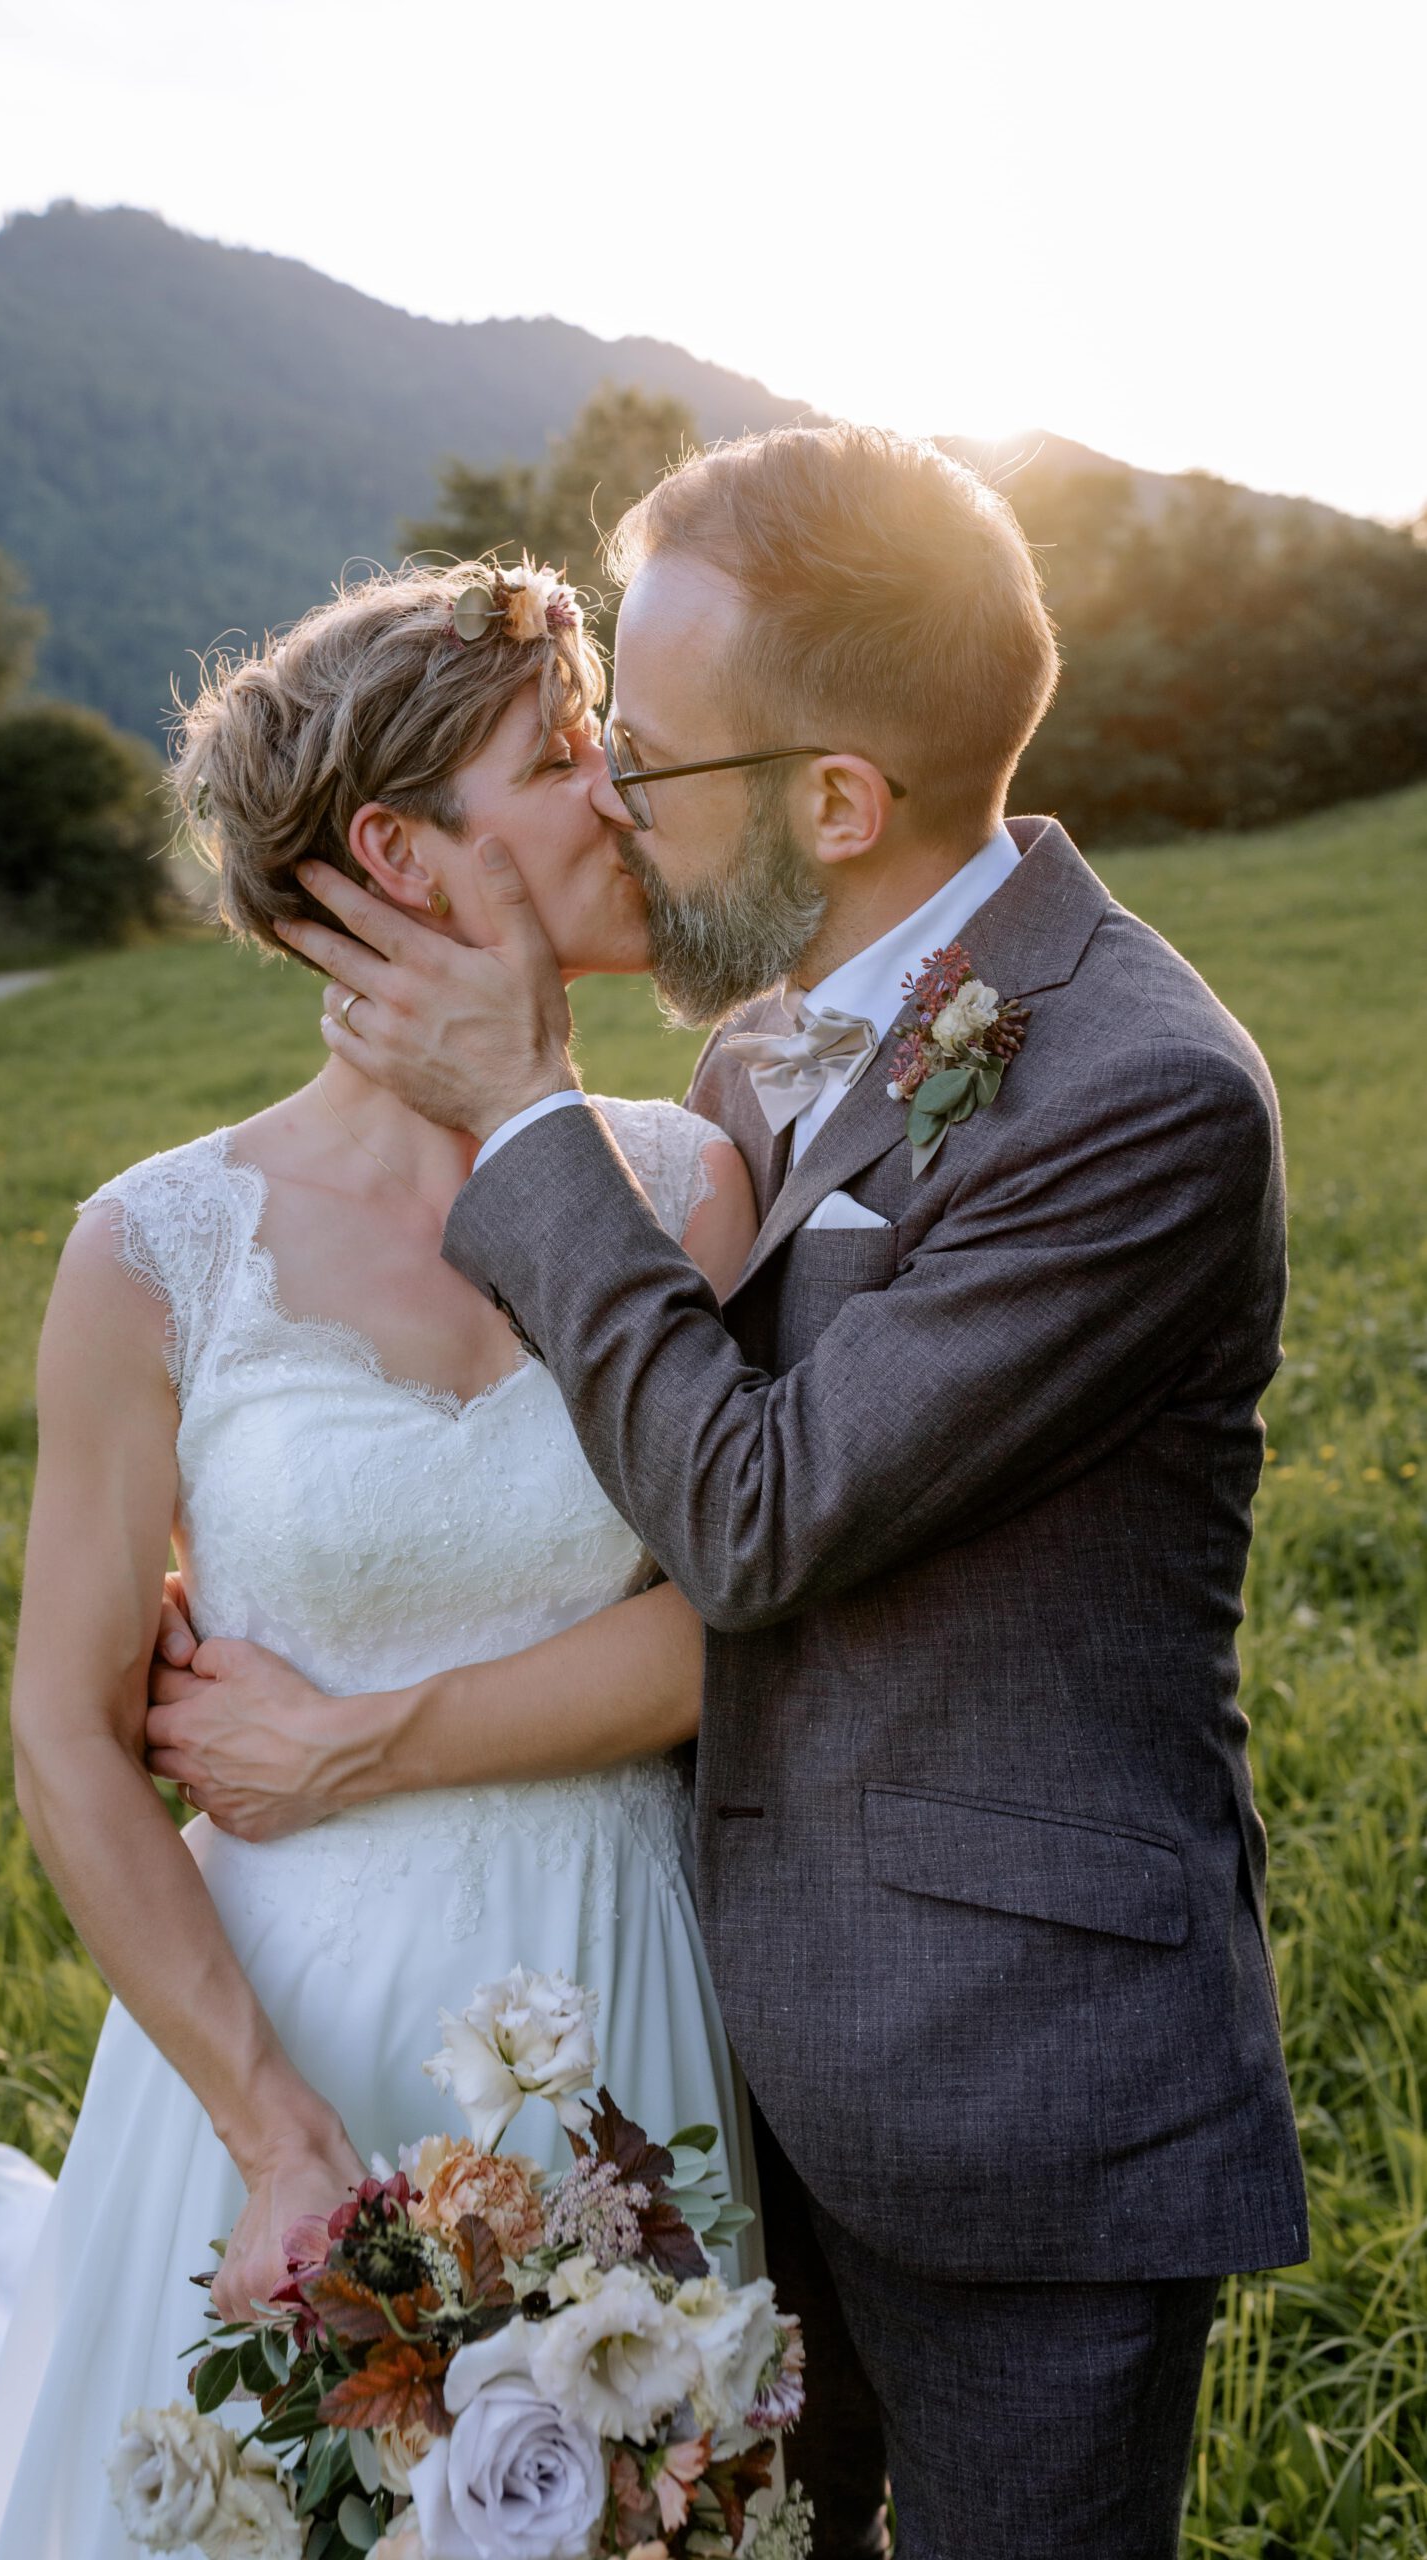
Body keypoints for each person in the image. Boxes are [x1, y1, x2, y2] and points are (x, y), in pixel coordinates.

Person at [168, 425, 1310, 2560]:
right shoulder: (765, 1049)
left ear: (839, 805)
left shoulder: (1138, 1094)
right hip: (708, 2052)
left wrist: (518, 1112)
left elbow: (761, 1506)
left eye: (655, 761)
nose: (611, 796)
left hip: (1012, 2089)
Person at [0, 561, 768, 2560]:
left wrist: (356, 1732)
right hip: (283, 2019)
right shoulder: (155, 1246)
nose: (625, 788)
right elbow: (65, 1731)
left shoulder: (696, 1182)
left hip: (619, 1986)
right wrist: (272, 2125)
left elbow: (738, 1629)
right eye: (561, 757)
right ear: (397, 851)